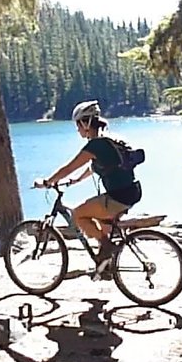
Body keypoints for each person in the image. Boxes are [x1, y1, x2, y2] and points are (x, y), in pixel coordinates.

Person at [40, 100, 142, 262]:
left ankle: (107, 247)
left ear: (86, 123)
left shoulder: (96, 145)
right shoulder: (109, 139)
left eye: (78, 125)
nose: (77, 129)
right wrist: (77, 180)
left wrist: (47, 181)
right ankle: (107, 266)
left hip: (118, 197)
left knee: (78, 214)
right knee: (102, 222)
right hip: (132, 191)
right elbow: (96, 166)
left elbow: (68, 168)